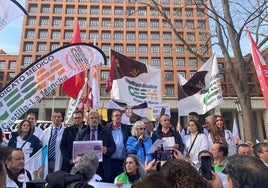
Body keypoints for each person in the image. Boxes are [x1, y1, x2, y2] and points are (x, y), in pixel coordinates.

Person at [76, 110, 116, 183]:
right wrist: (78, 156)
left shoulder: (106, 131)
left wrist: (107, 150)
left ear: (99, 119)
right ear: (88, 120)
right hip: (87, 165)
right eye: (92, 118)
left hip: (102, 166)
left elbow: (113, 147)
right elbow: (76, 148)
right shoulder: (82, 132)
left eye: (96, 118)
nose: (94, 119)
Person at [106, 109, 131, 182]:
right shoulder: (106, 129)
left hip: (123, 161)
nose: (118, 117)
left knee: (122, 181)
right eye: (116, 115)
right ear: (112, 117)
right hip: (110, 161)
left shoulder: (126, 129)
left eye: (120, 115)